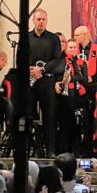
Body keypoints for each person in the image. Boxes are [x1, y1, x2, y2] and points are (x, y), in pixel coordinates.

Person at [27, 8, 66, 156]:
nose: (41, 22)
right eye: (38, 19)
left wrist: (41, 70)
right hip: (30, 80)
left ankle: (50, 150)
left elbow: (57, 60)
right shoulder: (27, 38)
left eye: (43, 19)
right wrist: (32, 71)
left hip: (47, 79)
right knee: (30, 114)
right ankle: (34, 148)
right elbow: (21, 57)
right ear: (33, 21)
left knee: (49, 116)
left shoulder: (53, 39)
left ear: (47, 20)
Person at [72, 25, 97, 156]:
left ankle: (90, 147)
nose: (75, 38)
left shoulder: (96, 50)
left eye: (77, 35)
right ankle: (75, 147)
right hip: (77, 88)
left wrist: (92, 77)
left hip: (92, 88)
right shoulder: (74, 49)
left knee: (91, 118)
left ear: (84, 35)